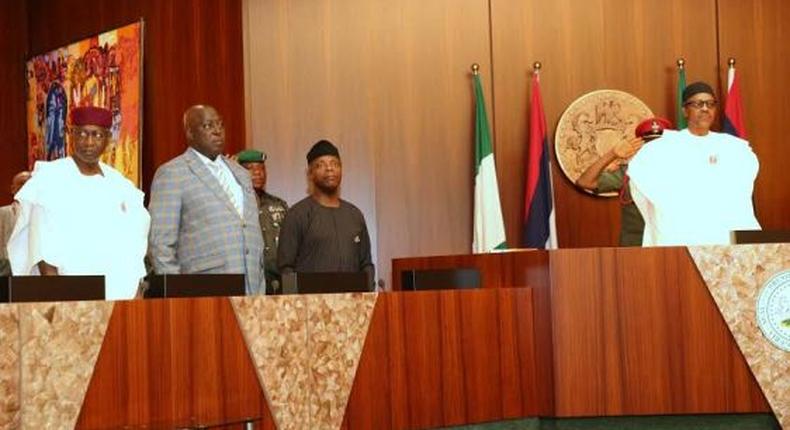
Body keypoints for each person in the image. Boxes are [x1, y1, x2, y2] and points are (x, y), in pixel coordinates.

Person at [7, 106, 150, 300]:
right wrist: (57, 299)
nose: (89, 142)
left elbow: (135, 242)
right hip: (69, 295)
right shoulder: (50, 180)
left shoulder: (120, 186)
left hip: (119, 293)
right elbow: (41, 248)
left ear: (108, 139)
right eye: (82, 134)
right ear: (71, 134)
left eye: (97, 135)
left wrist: (137, 288)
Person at [148, 105, 266, 294]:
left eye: (220, 124)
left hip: (252, 288)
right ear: (190, 133)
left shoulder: (241, 174)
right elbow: (160, 244)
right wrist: (177, 293)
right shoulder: (172, 173)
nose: (217, 131)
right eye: (208, 125)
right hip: (202, 291)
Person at [628, 82, 760, 246]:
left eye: (710, 104)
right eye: (698, 104)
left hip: (724, 241)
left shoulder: (734, 148)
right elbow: (646, 190)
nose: (705, 109)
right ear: (685, 110)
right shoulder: (661, 149)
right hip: (681, 239)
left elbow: (741, 192)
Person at [277, 140, 374, 289]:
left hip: (353, 306)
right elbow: (286, 269)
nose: (329, 169)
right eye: (321, 164)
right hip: (310, 307)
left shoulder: (355, 215)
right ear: (310, 173)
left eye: (335, 164)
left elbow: (366, 264)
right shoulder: (297, 215)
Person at [576, 117, 671, 246]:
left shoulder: (685, 173)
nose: (654, 148)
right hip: (635, 248)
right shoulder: (628, 173)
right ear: (640, 147)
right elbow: (585, 182)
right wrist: (612, 154)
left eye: (660, 143)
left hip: (674, 246)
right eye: (649, 143)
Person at [236, 149, 288, 294]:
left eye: (261, 168)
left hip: (277, 283)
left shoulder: (279, 205)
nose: (257, 172)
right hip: (247, 282)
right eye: (249, 169)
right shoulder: (233, 205)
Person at [0, 171, 32, 276]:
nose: (27, 186)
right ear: (13, 189)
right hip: (8, 270)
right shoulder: (3, 213)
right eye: (23, 183)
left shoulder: (45, 214)